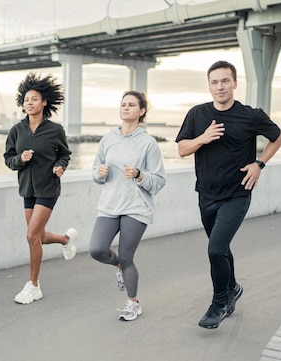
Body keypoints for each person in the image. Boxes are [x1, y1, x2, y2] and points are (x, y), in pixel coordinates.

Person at [175, 60, 281, 329]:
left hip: (237, 193)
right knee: (220, 248)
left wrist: (260, 164)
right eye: (215, 82)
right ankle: (233, 288)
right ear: (209, 86)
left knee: (215, 249)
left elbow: (278, 137)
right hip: (206, 195)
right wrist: (204, 137)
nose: (220, 86)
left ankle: (219, 303)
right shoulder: (197, 114)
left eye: (225, 81)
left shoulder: (250, 115)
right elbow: (182, 150)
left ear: (235, 83)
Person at [89, 90, 166, 321]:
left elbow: (159, 181)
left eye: (131, 105)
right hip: (110, 205)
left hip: (136, 207)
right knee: (96, 249)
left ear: (141, 111)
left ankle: (133, 303)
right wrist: (99, 172)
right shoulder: (107, 139)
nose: (125, 108)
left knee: (126, 255)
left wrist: (140, 175)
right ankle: (119, 267)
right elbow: (95, 172)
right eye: (123, 104)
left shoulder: (149, 143)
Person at [3, 72, 78, 305]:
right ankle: (66, 239)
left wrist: (59, 166)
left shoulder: (55, 130)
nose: (29, 102)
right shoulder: (17, 130)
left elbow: (65, 154)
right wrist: (20, 160)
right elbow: (8, 158)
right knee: (39, 236)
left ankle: (33, 285)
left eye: (34, 99)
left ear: (44, 102)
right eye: (26, 99)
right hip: (27, 189)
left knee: (31, 236)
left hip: (47, 188)